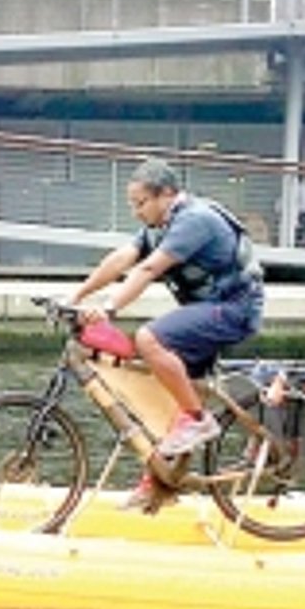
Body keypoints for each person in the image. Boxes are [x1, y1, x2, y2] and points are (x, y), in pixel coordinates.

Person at [71, 158, 264, 510]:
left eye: (140, 202)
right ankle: (161, 484)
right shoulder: (159, 225)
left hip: (234, 309)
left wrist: (110, 308)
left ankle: (198, 420)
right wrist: (77, 297)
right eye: (133, 203)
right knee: (175, 390)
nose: (136, 211)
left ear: (167, 195)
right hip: (209, 310)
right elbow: (122, 259)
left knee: (149, 340)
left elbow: (148, 268)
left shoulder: (195, 220)